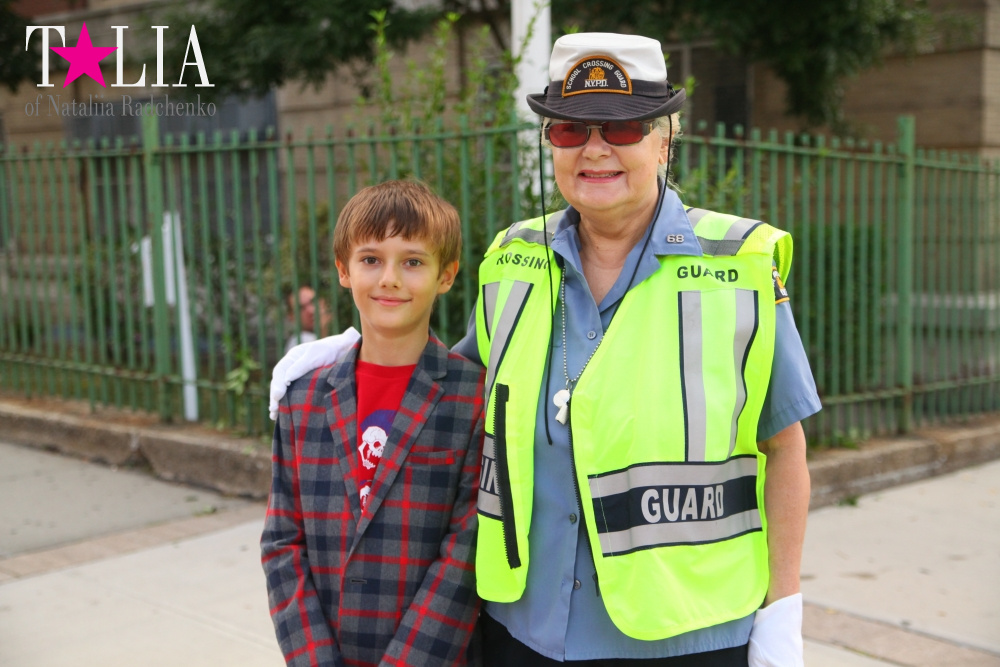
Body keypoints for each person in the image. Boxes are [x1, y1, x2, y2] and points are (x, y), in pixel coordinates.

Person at [270, 32, 820, 667]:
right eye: (569, 130)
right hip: (520, 630)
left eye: (622, 129)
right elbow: (453, 379)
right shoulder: (513, 260)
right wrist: (358, 357)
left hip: (683, 637)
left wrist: (782, 614)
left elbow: (786, 448)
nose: (594, 150)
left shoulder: (737, 266)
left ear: (664, 140)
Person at [261, 180, 486, 666]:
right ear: (343, 270)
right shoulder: (302, 398)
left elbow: (467, 552)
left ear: (446, 276)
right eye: (370, 260)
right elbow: (282, 541)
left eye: (412, 261)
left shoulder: (475, 397)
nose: (389, 278)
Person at [283, 285, 333, 354]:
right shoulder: (299, 343)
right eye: (301, 308)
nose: (311, 311)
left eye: (313, 302)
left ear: (322, 302)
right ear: (291, 317)